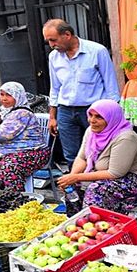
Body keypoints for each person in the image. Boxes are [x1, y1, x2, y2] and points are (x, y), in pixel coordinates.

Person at [57, 99, 137, 215]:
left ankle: (94, 224)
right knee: (72, 186)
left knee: (96, 190)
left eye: (99, 117)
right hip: (114, 172)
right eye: (90, 115)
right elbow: (82, 158)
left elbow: (115, 173)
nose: (92, 120)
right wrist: (72, 177)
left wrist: (77, 177)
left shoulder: (125, 137)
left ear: (111, 119)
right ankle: (76, 220)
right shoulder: (92, 131)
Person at [42, 19, 120, 169]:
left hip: (93, 110)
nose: (51, 45)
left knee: (99, 151)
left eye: (53, 40)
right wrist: (52, 116)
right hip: (65, 110)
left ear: (67, 34)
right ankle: (78, 189)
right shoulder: (54, 57)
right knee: (71, 154)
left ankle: (99, 187)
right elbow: (55, 88)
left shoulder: (97, 51)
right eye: (48, 41)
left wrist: (112, 116)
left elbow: (111, 87)